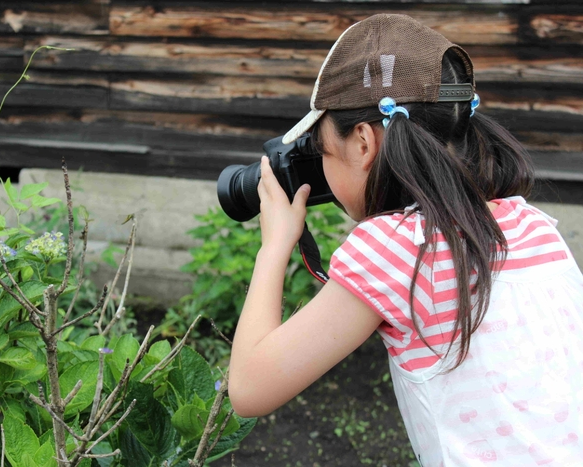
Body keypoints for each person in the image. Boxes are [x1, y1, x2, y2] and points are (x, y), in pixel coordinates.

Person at [228, 13, 583, 466]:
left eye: (323, 151)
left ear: (362, 143)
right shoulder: (532, 224)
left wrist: (275, 245)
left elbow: (248, 389)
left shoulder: (394, 247)